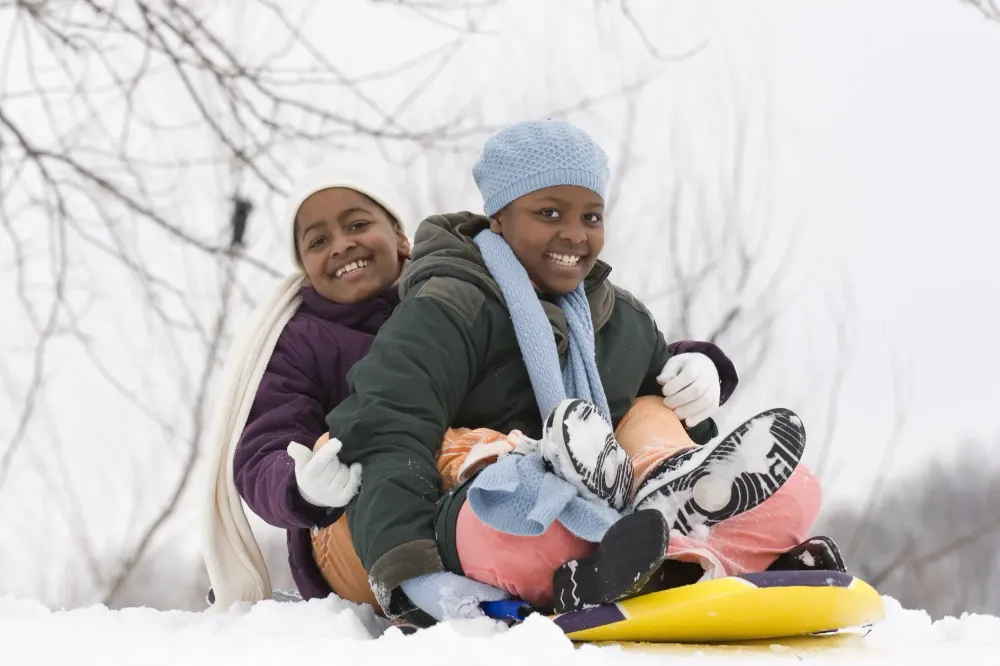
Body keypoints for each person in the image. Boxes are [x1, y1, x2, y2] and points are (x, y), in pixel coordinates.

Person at [325, 120, 831, 629]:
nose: (575, 233)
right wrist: (415, 576)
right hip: (473, 524)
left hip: (614, 531)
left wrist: (696, 386)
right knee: (513, 501)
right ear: (499, 217)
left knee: (791, 490)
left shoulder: (621, 320)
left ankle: (658, 517)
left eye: (591, 215)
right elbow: (387, 433)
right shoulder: (449, 307)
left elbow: (713, 463)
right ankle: (648, 555)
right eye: (549, 213)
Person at [201, 165, 413, 611]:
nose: (341, 245)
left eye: (357, 224)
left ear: (400, 237)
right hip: (349, 531)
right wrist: (302, 487)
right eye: (318, 241)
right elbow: (262, 449)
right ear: (306, 268)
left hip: (455, 498)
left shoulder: (446, 306)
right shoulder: (299, 341)